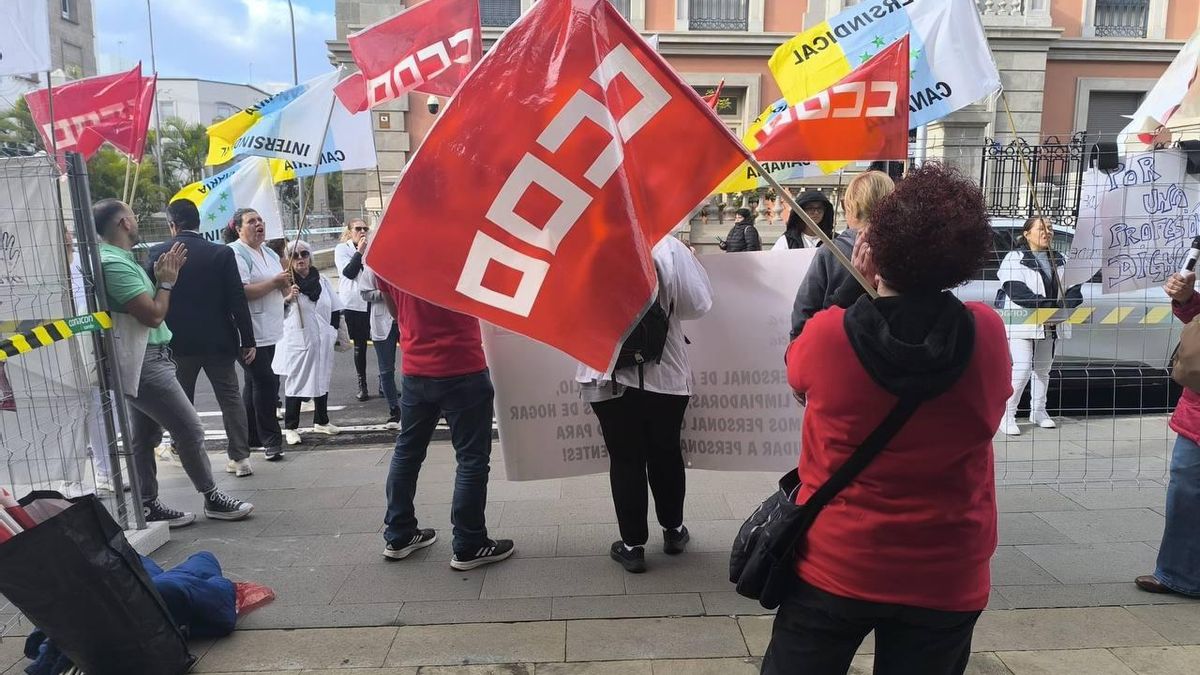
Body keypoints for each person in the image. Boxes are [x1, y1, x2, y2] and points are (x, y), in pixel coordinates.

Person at [763, 163, 1010, 675]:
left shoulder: (830, 337)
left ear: (874, 251)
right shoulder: (986, 334)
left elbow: (795, 370)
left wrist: (853, 285)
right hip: (948, 570)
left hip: (838, 562)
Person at [92, 199, 253, 526]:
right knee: (189, 428)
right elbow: (152, 315)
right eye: (134, 215)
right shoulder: (113, 264)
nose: (137, 221)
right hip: (144, 360)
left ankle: (148, 503)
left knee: (144, 436)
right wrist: (166, 281)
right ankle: (212, 497)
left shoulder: (121, 259)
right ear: (124, 222)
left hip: (150, 356)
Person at [576, 235, 713, 573]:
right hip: (665, 375)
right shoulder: (666, 244)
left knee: (625, 459)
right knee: (666, 452)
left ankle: (632, 545)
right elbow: (698, 304)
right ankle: (674, 530)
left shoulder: (582, 240)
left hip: (607, 371)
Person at [379, 282, 514, 570]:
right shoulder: (460, 243)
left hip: (416, 368)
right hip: (462, 365)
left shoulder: (389, 244)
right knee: (472, 459)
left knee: (407, 452)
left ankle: (399, 534)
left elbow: (393, 307)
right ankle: (469, 542)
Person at [147, 201, 257, 477]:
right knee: (230, 397)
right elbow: (237, 300)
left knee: (180, 401)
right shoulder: (220, 253)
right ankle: (240, 458)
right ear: (199, 222)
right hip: (220, 340)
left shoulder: (158, 253)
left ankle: (182, 452)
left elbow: (149, 298)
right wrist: (248, 339)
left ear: (172, 225)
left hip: (176, 344)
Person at [1136, 270, 1200, 598]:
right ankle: (1178, 574)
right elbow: (1195, 317)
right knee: (1186, 491)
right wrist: (1186, 298)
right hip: (1197, 413)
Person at [996, 216, 1083, 436]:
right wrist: (1045, 307)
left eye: (1051, 228)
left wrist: (1065, 306)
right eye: (1042, 228)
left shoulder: (1061, 259)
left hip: (1051, 323)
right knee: (1023, 367)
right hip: (1022, 322)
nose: (1048, 232)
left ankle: (1039, 411)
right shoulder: (1014, 258)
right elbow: (1014, 289)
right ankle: (1007, 414)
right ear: (1027, 234)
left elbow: (1073, 287)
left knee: (1043, 369)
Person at [789, 171, 894, 340]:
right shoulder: (907, 251)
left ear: (850, 207)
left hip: (836, 352)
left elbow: (802, 322)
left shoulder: (830, 254)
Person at [227, 209, 291, 461]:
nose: (258, 224)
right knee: (266, 382)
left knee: (254, 382)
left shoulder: (270, 252)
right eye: (251, 221)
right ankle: (271, 439)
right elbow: (242, 292)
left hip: (271, 328)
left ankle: (250, 434)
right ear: (238, 228)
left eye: (260, 220)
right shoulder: (235, 252)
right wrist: (275, 283)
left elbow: (281, 283)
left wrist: (286, 284)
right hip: (249, 331)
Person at [273, 241, 342, 446]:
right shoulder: (285, 283)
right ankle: (291, 427)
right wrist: (286, 299)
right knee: (297, 381)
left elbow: (335, 307)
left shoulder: (321, 280)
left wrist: (333, 330)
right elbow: (274, 313)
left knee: (322, 378)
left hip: (322, 338)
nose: (300, 258)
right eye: (294, 255)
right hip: (298, 339)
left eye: (304, 254)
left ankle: (321, 420)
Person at [358, 265, 402, 429]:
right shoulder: (372, 267)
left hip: (406, 318)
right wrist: (385, 293)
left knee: (420, 363)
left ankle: (434, 407)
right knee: (386, 369)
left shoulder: (404, 262)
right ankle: (394, 409)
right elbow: (364, 293)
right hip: (382, 322)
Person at [335, 219, 373, 402]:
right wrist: (360, 252)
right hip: (353, 303)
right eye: (358, 229)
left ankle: (384, 383)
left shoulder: (373, 247)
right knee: (360, 345)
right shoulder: (342, 249)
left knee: (383, 342)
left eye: (365, 228)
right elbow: (349, 272)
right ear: (350, 232)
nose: (363, 231)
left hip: (373, 302)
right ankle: (362, 384)